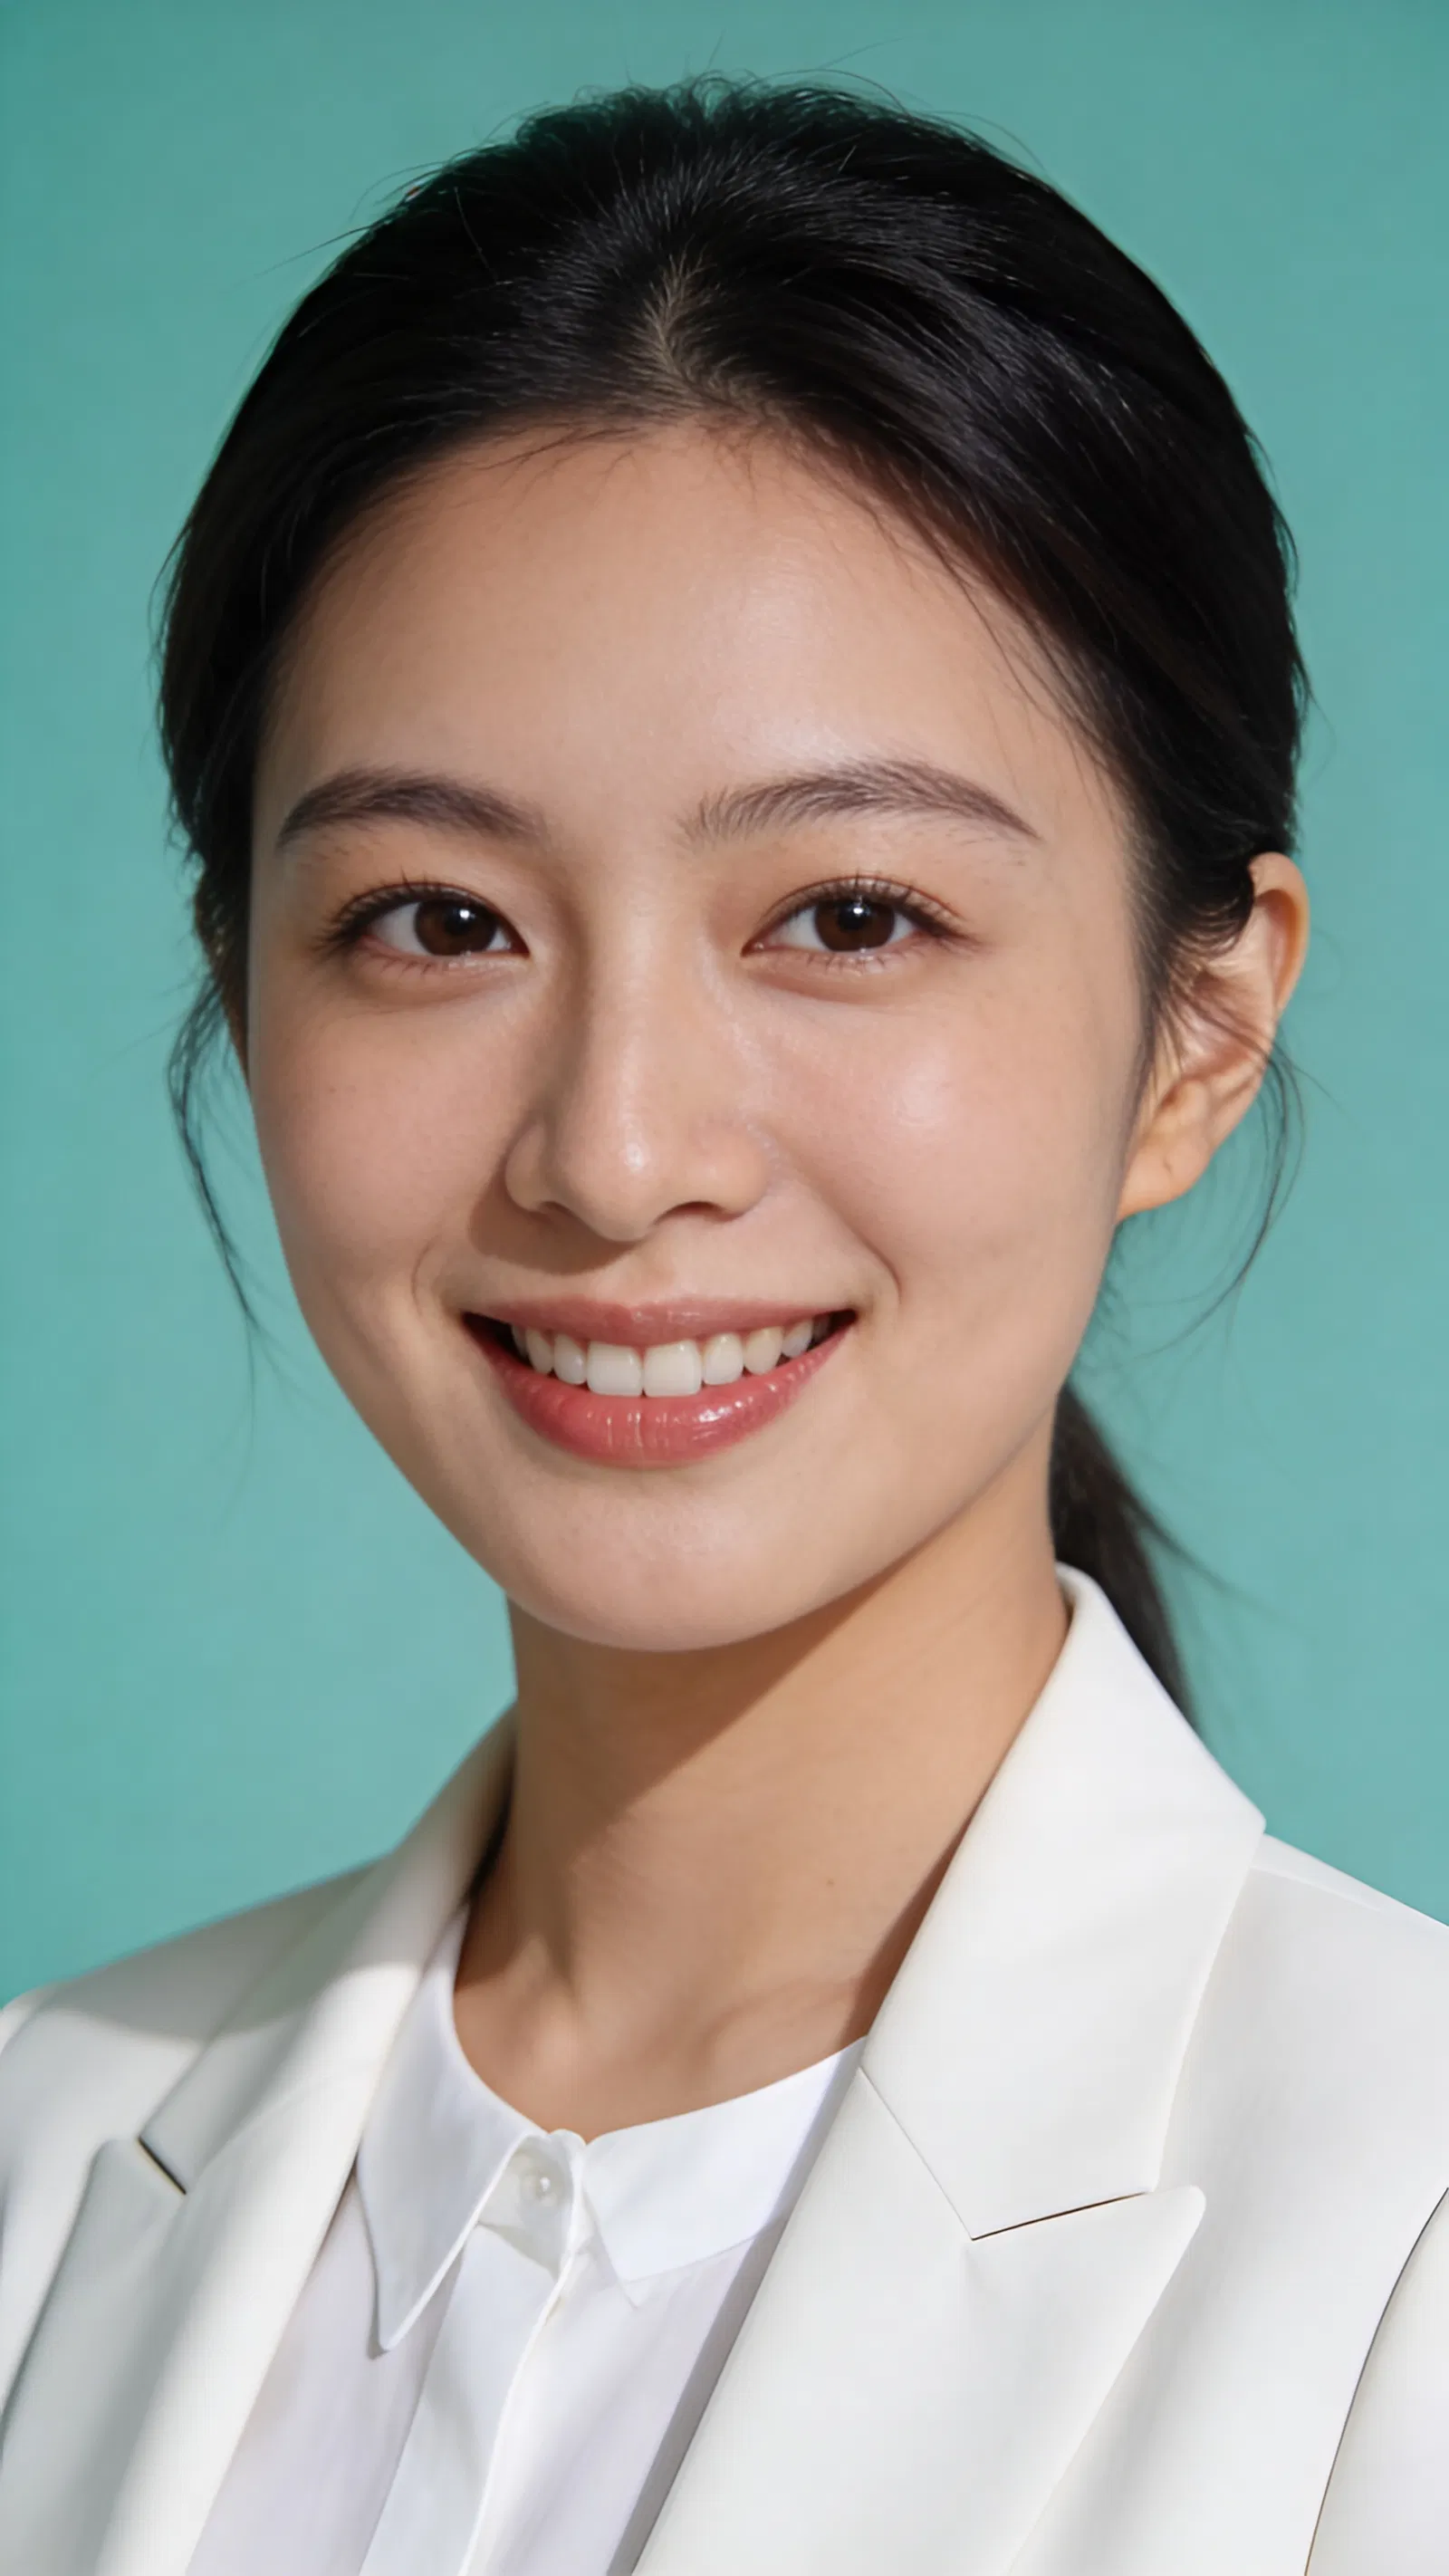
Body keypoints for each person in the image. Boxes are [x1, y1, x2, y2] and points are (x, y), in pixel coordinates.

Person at [0, 76, 1444, 2576]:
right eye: (439, 918)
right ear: (245, 991)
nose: (619, 1144)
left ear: (1194, 1032)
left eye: (850, 914)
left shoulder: (1402, 2241)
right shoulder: (40, 2157)